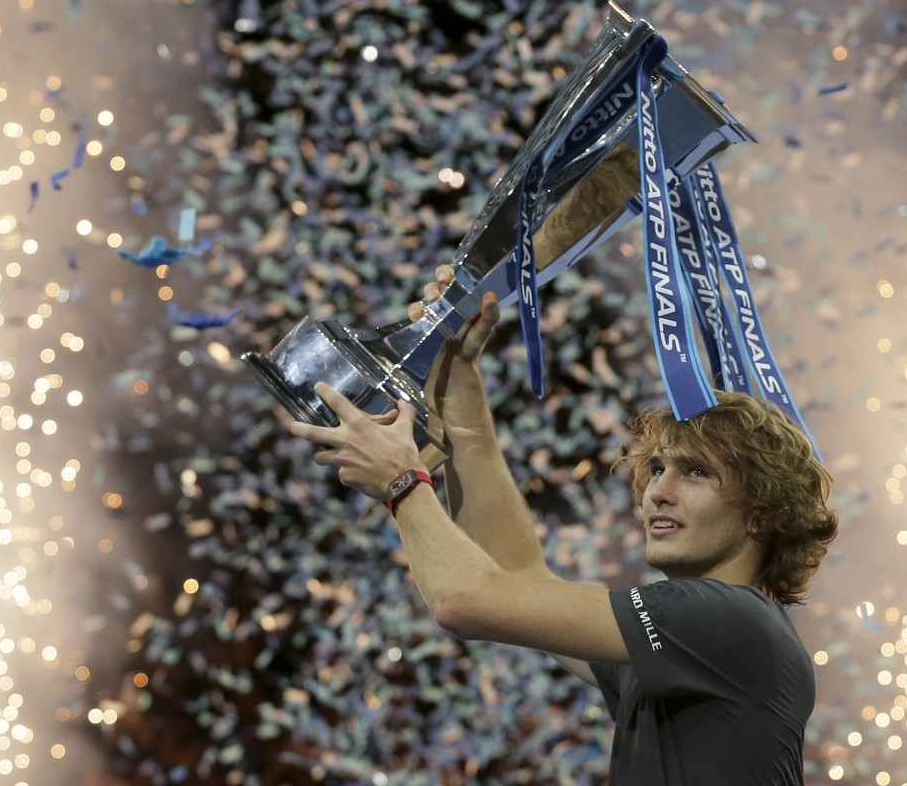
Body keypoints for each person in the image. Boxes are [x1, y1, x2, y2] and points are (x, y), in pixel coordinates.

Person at [288, 266, 838, 785]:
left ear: (762, 512)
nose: (657, 492)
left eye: (695, 472)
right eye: (656, 468)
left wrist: (402, 480)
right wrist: (457, 378)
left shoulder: (725, 619)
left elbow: (464, 600)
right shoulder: (692, 644)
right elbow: (519, 573)